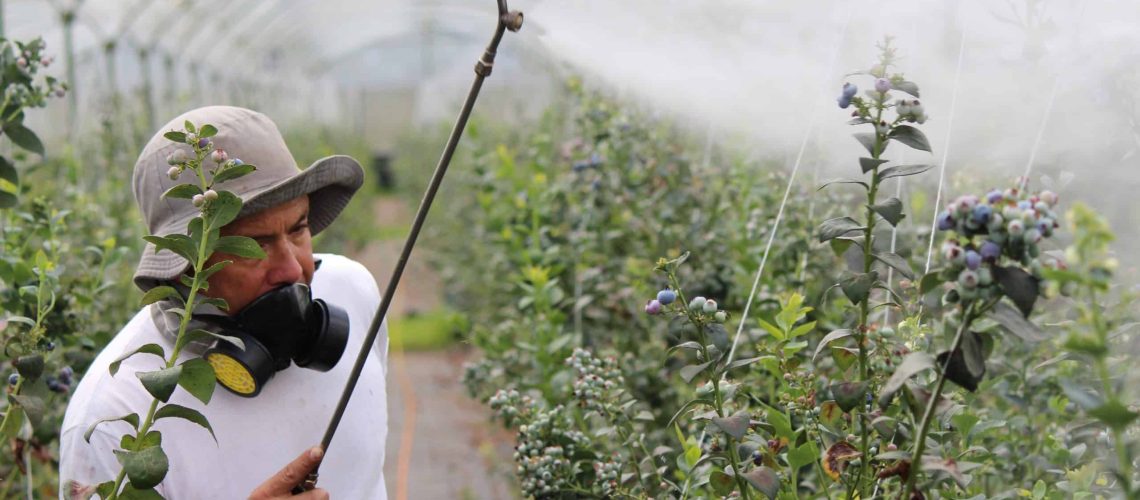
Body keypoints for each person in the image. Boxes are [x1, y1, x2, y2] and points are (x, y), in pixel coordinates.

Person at [58, 106, 389, 499]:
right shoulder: (113, 420)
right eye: (254, 246)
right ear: (184, 267)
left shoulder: (353, 291)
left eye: (298, 229)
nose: (294, 269)